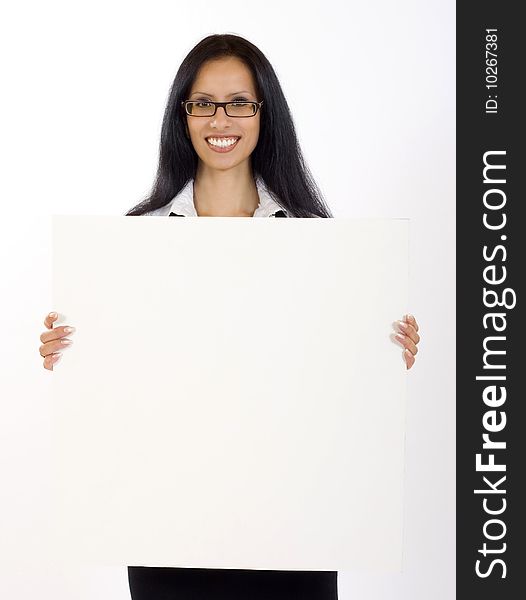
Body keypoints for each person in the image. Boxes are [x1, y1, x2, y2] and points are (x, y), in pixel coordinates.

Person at [38, 34, 421, 600]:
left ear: (266, 113)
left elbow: (334, 384)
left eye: (240, 102)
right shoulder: (131, 242)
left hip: (294, 523)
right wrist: (68, 353)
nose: (223, 119)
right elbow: (121, 384)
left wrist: (386, 350)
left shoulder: (315, 242)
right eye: (204, 103)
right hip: (166, 522)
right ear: (183, 116)